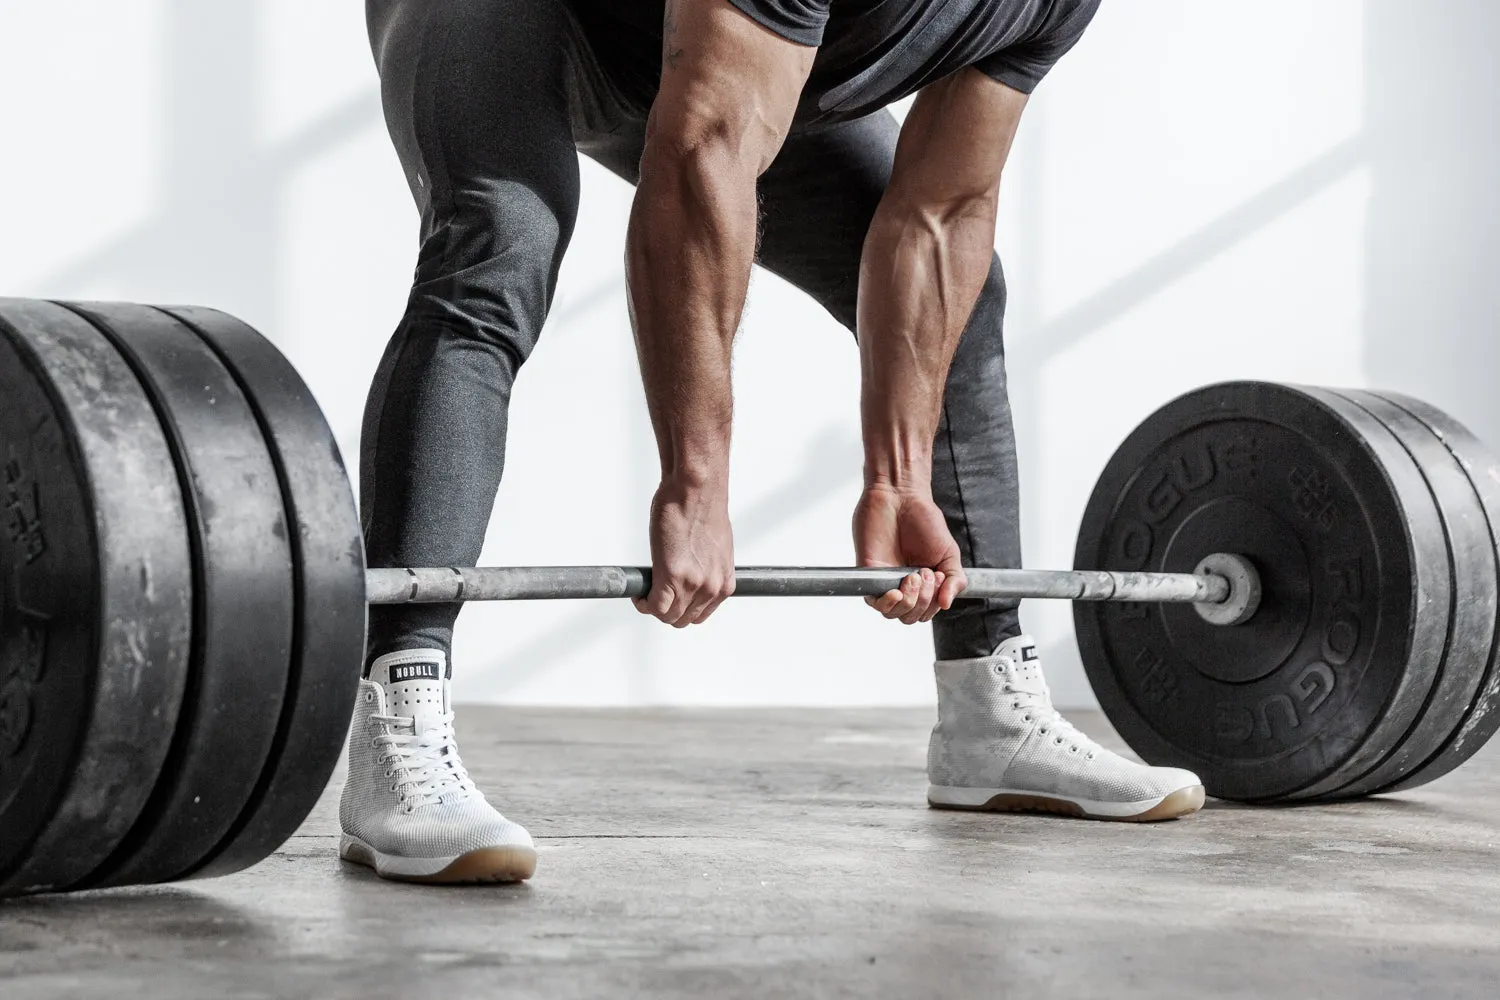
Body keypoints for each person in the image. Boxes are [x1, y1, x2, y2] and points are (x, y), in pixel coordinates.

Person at [340, 0, 1204, 886]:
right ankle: (396, 717)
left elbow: (942, 213)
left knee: (964, 305)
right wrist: (694, 486)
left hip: (703, 59)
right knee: (498, 247)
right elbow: (703, 151)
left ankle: (991, 711)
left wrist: (899, 480)